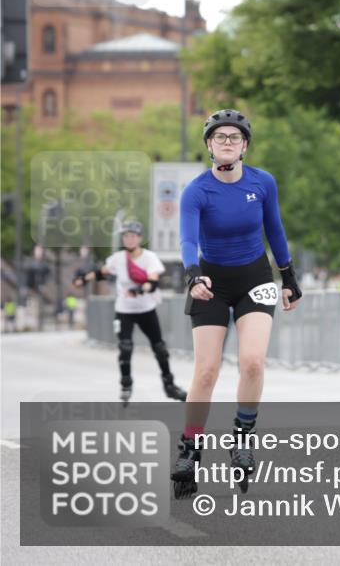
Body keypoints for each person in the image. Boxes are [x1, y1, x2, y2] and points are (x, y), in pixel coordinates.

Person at [171, 109, 302, 498]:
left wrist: (289, 276)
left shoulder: (263, 183)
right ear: (209, 145)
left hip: (255, 278)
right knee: (207, 371)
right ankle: (190, 447)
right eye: (220, 137)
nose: (227, 142)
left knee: (252, 361)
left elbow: (274, 230)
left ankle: (243, 436)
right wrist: (193, 274)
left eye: (234, 137)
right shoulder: (196, 190)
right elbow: (187, 240)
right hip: (210, 280)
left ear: (244, 145)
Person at [72, 221, 187, 404]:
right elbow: (101, 273)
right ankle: (126, 384)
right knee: (125, 347)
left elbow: (153, 281)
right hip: (124, 310)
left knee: (159, 348)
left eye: (133, 236)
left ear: (140, 238)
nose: (129, 239)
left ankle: (170, 385)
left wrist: (142, 289)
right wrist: (82, 279)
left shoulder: (149, 257)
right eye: (126, 236)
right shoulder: (118, 258)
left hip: (146, 309)